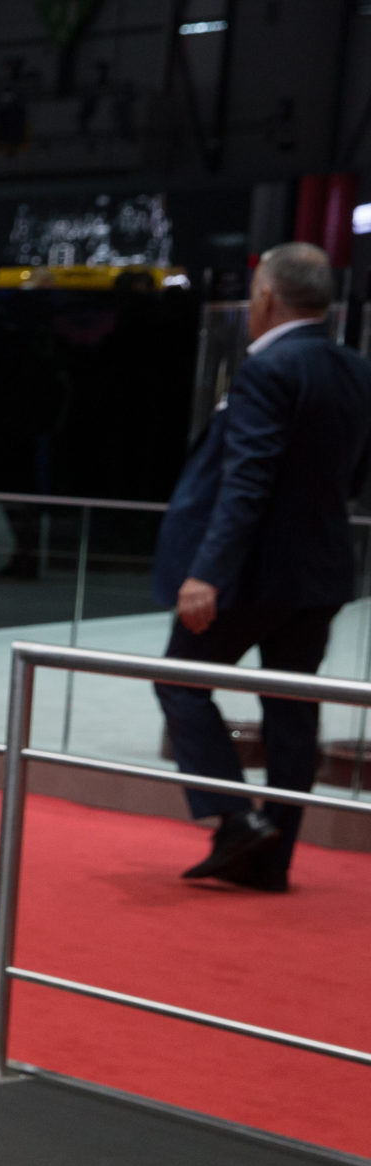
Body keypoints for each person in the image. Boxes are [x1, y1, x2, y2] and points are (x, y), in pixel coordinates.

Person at [151, 241, 371, 892]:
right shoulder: (356, 369)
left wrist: (207, 572)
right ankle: (272, 861)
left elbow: (245, 482)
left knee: (180, 680)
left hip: (250, 575)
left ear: (267, 296)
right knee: (292, 706)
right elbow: (355, 475)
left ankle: (236, 820)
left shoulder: (267, 369)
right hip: (320, 572)